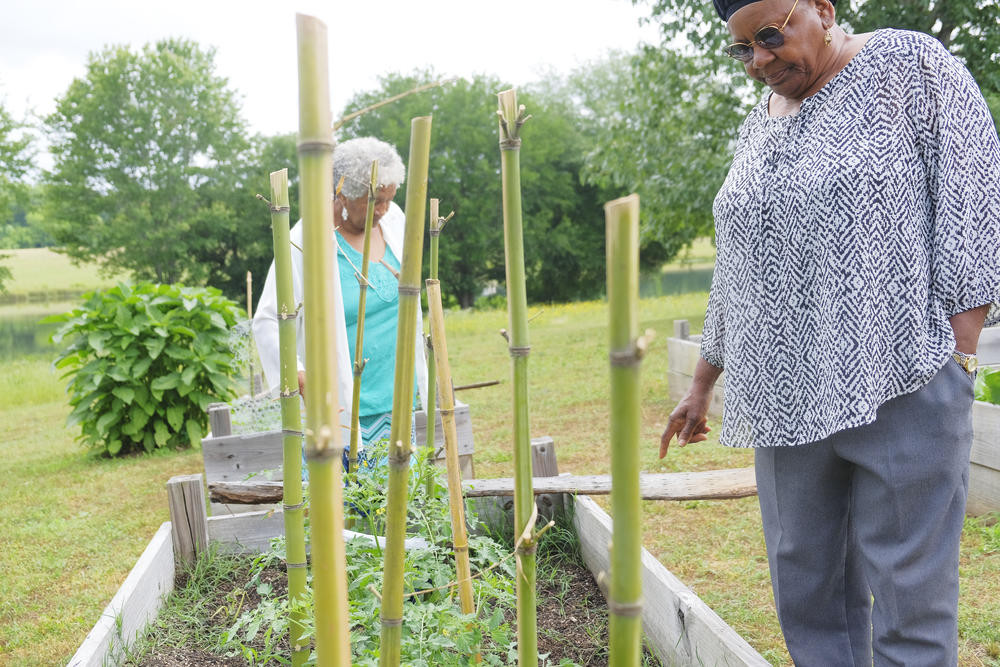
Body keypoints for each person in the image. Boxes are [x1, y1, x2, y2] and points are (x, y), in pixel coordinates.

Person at [660, 1, 1000, 664]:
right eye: (743, 49)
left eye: (770, 36)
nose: (759, 61)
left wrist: (958, 354)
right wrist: (703, 379)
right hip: (781, 400)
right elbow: (737, 258)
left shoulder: (910, 66)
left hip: (900, 376)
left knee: (910, 601)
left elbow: (973, 203)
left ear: (822, 9)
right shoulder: (757, 122)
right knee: (807, 596)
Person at [253, 137, 428, 471]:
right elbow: (267, 322)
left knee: (399, 511)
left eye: (389, 199)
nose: (383, 210)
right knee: (346, 514)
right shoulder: (306, 241)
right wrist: (304, 380)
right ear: (341, 191)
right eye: (374, 201)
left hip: (397, 402)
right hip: (341, 410)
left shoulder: (394, 222)